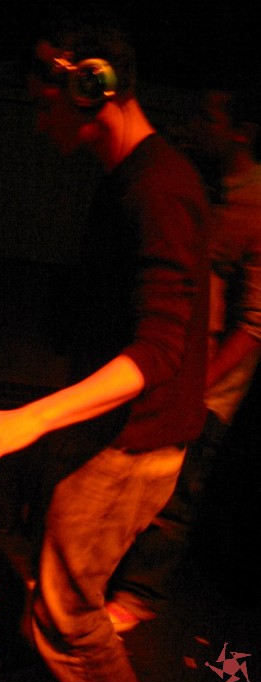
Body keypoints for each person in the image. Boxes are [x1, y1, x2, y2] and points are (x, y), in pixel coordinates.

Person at [0, 14, 210, 682]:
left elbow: (158, 351)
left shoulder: (158, 187)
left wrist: (30, 419)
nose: (37, 122)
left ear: (91, 88)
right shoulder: (129, 177)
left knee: (66, 622)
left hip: (133, 443)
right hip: (111, 431)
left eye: (42, 104)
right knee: (53, 607)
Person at [106, 86, 261, 633]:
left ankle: (139, 594)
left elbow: (254, 323)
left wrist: (200, 384)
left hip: (209, 383)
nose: (195, 124)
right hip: (175, 362)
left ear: (241, 133)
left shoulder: (256, 203)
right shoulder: (206, 183)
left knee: (178, 493)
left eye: (208, 117)